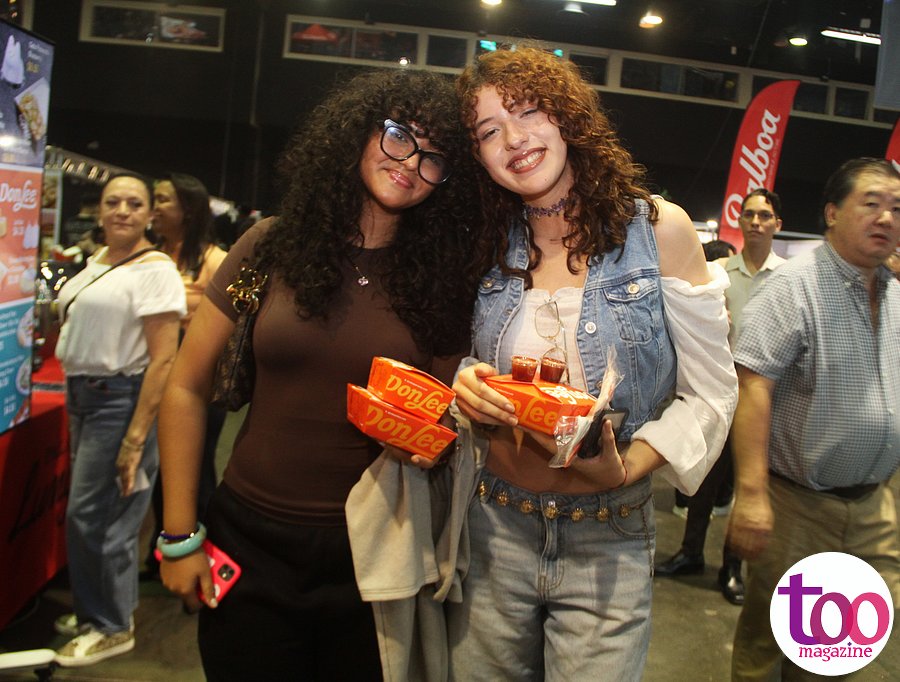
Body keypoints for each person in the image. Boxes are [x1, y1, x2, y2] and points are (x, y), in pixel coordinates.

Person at [156, 69, 483, 680]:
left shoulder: (445, 279)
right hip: (247, 538)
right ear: (359, 132)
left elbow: (443, 421)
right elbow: (184, 386)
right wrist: (178, 536)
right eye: (399, 136)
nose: (411, 163)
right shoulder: (270, 245)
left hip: (372, 555)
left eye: (434, 156)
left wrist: (427, 437)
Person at [449, 45, 738, 680]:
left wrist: (627, 467)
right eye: (488, 131)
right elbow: (467, 353)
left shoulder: (658, 230)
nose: (513, 140)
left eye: (527, 112)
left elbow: (712, 392)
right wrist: (466, 381)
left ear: (567, 116)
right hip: (492, 523)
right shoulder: (484, 240)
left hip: (610, 535)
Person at [728, 158, 900, 680]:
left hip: (873, 505)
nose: (886, 218)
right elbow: (753, 387)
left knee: (846, 651)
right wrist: (751, 495)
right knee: (770, 646)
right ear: (832, 213)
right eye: (871, 203)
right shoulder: (793, 287)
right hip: (797, 507)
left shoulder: (895, 295)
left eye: (896, 208)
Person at [52, 173, 186, 667]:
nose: (123, 211)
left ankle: (109, 625)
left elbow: (164, 359)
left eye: (134, 203)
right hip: (83, 394)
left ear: (150, 213)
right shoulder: (98, 261)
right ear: (100, 209)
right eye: (113, 202)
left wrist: (136, 436)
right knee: (93, 513)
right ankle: (98, 612)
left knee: (99, 515)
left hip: (120, 400)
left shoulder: (155, 270)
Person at [657, 189, 786, 607]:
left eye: (764, 215)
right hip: (716, 393)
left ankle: (731, 567)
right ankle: (690, 552)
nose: (756, 222)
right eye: (749, 214)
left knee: (741, 483)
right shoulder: (716, 271)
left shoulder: (787, 279)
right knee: (703, 479)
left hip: (761, 400)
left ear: (777, 224)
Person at [143, 172, 227, 577]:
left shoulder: (215, 261)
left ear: (188, 210)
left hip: (199, 381)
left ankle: (204, 552)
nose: (154, 208)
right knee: (157, 469)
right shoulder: (151, 257)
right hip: (150, 377)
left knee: (195, 467)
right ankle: (161, 549)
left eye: (163, 200)